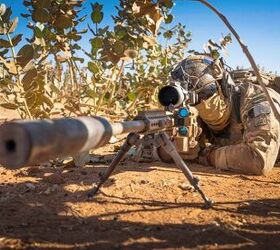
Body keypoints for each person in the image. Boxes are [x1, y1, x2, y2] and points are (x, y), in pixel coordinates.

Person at [171, 54, 280, 175]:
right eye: (192, 98)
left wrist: (206, 155)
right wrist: (177, 149)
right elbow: (154, 147)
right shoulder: (190, 111)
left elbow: (258, 160)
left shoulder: (256, 99)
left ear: (221, 86)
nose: (200, 101)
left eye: (205, 92)